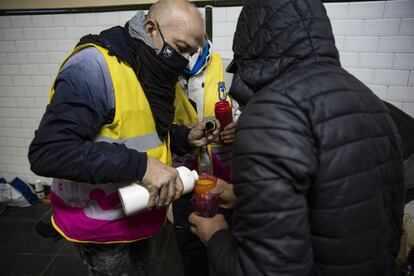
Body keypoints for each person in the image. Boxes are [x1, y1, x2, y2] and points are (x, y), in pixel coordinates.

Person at [189, 0, 405, 275]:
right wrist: (241, 196)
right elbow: (332, 205)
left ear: (251, 39)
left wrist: (216, 235)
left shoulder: (270, 114)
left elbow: (267, 270)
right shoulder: (370, 102)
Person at [28, 1, 219, 275]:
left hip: (139, 213)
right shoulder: (93, 66)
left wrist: (186, 137)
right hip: (100, 224)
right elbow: (48, 152)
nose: (185, 60)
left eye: (191, 52)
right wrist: (142, 166)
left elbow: (144, 129)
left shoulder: (153, 69)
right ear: (152, 29)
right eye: (180, 49)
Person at [172, 38, 239, 276]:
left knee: (232, 247)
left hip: (225, 182)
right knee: (191, 253)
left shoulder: (228, 69)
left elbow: (250, 114)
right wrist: (180, 134)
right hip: (184, 182)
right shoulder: (161, 74)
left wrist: (239, 127)